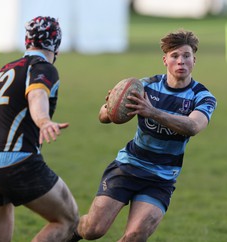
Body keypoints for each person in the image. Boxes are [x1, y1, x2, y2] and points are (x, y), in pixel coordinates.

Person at [69, 29, 217, 241]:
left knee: (135, 236)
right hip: (128, 166)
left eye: (186, 56)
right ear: (165, 60)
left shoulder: (202, 97)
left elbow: (193, 126)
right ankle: (66, 230)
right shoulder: (144, 86)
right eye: (175, 56)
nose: (181, 61)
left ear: (195, 59)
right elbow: (103, 116)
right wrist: (112, 105)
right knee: (93, 229)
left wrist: (153, 112)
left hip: (162, 177)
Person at [0, 16, 79, 242]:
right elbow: (36, 94)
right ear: (57, 43)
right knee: (67, 220)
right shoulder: (43, 68)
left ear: (27, 40)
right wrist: (43, 121)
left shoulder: (4, 70)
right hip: (15, 162)